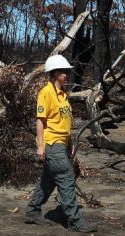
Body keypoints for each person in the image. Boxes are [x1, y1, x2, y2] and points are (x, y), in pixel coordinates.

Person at [25, 54, 98, 233]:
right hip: (51, 143)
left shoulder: (63, 95)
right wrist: (40, 146)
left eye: (67, 71)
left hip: (61, 143)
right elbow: (40, 121)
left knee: (48, 181)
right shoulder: (46, 93)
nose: (67, 74)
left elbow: (64, 122)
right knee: (66, 179)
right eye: (64, 72)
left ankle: (32, 211)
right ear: (54, 73)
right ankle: (76, 221)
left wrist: (70, 142)